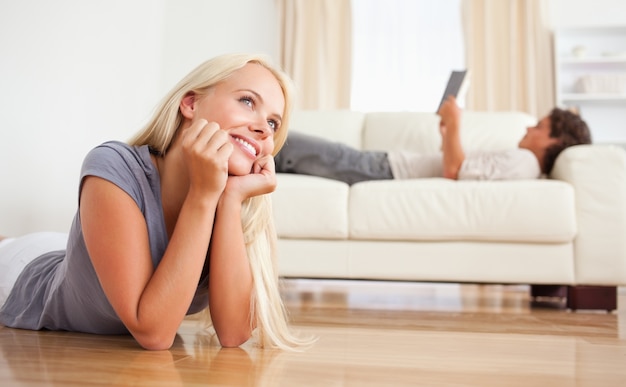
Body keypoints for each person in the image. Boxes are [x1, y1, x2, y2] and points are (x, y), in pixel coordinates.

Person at [0, 53, 313, 351]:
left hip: (74, 255)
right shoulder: (113, 166)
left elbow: (234, 333)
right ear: (191, 103)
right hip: (21, 270)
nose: (263, 129)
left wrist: (229, 200)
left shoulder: (234, 200)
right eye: (247, 101)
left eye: (273, 123)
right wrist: (203, 196)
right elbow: (153, 332)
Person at [274, 96, 592, 185]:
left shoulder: (524, 162)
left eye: (539, 127)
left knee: (286, 144)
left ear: (553, 141)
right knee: (292, 152)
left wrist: (456, 123)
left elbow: (455, 171)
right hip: (382, 165)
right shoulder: (523, 163)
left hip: (383, 170)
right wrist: (447, 133)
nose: (527, 129)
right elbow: (458, 164)